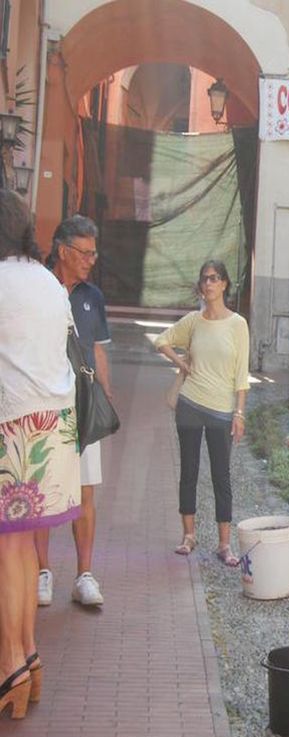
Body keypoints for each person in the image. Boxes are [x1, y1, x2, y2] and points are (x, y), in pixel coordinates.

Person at [0, 190, 81, 719]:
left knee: (8, 549)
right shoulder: (48, 282)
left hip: (13, 425)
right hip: (54, 429)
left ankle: (10, 665)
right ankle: (28, 658)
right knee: (24, 546)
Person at [34, 215, 111, 608]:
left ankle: (84, 575)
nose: (90, 261)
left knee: (85, 492)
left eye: (94, 253)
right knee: (43, 494)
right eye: (84, 253)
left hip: (83, 407)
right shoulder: (38, 288)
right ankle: (42, 573)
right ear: (62, 251)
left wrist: (105, 398)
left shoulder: (92, 296)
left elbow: (97, 349)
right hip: (45, 407)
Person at [155, 260, 249, 566]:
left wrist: (239, 413)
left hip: (222, 411)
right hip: (190, 405)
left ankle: (224, 544)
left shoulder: (238, 324)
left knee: (222, 476)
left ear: (224, 284)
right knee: (189, 472)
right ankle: (188, 536)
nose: (208, 283)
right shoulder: (193, 321)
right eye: (204, 279)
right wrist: (181, 364)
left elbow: (242, 374)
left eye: (214, 278)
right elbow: (161, 341)